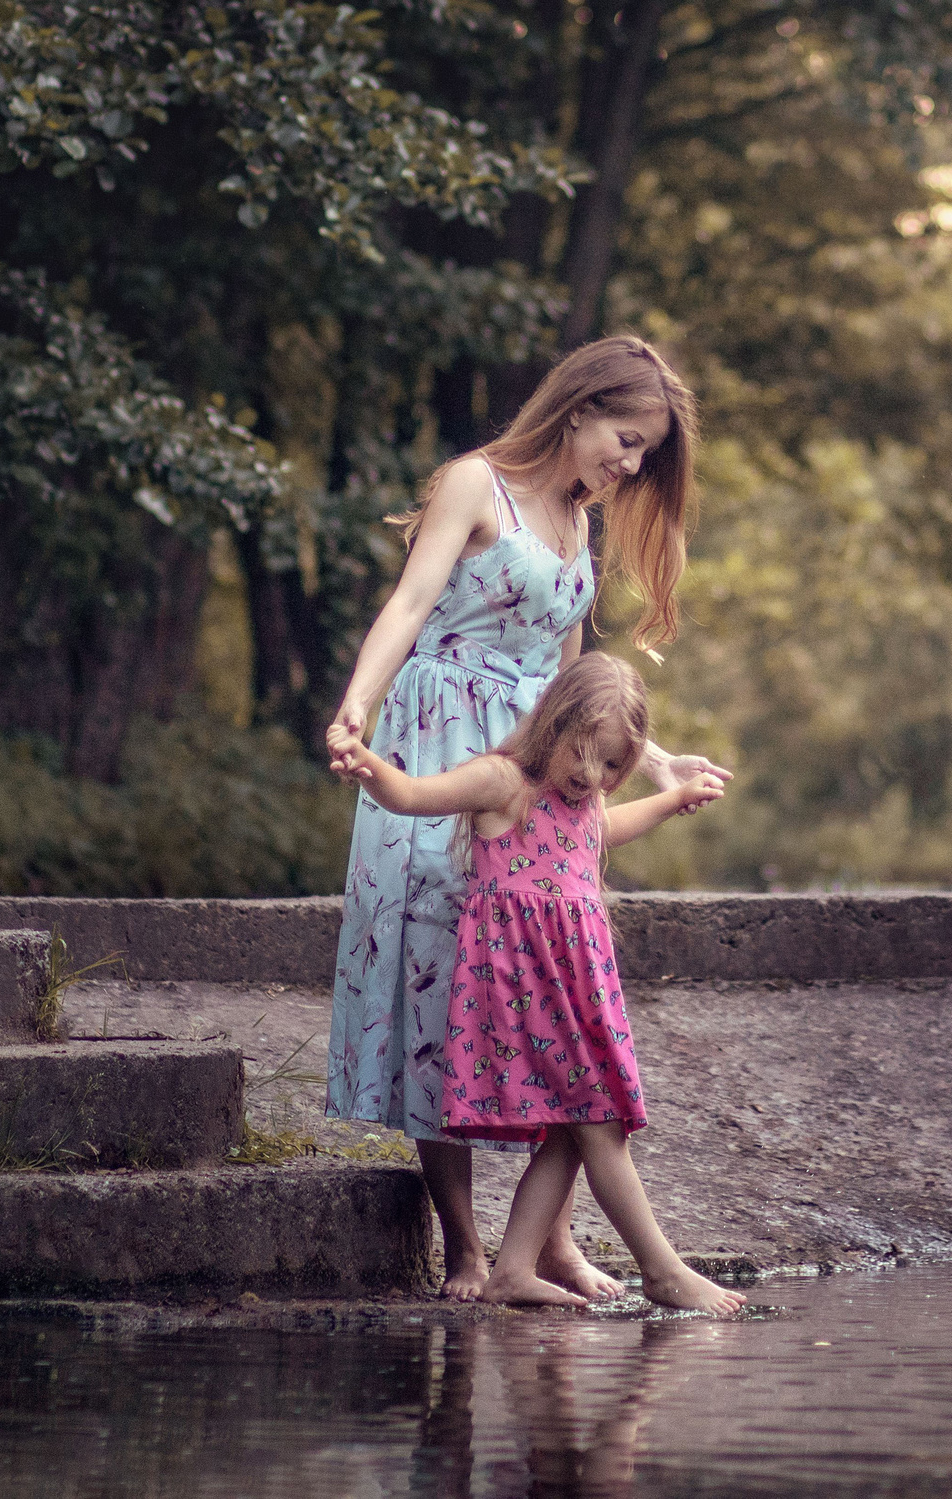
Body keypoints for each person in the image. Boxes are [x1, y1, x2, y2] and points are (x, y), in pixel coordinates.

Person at [323, 336, 726, 1301]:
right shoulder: (476, 484)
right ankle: (464, 1244)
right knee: (434, 975)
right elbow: (412, 601)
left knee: (543, 995)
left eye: (643, 452)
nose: (629, 465)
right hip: (438, 741)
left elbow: (580, 676)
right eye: (625, 440)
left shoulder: (574, 522)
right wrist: (356, 705)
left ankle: (548, 1243)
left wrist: (656, 760)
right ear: (580, 408)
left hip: (535, 771)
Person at [344, 653, 747, 1313]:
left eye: (614, 765)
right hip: (524, 988)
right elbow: (417, 796)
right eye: (585, 755)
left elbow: (603, 830)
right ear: (555, 725)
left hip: (579, 988)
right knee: (601, 1119)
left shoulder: (583, 801)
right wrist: (371, 766)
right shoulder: (504, 782)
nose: (595, 775)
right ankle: (663, 1268)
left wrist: (672, 798)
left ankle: (515, 1268)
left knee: (573, 1124)